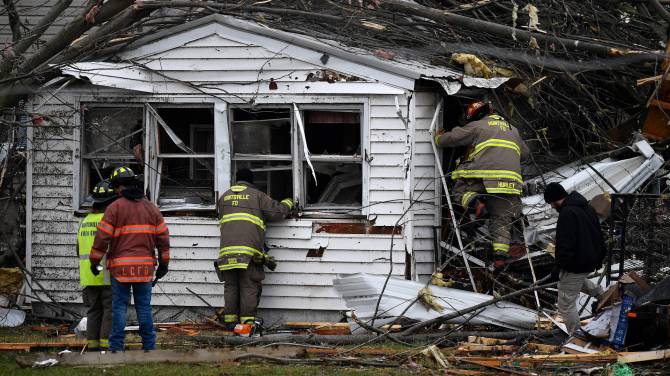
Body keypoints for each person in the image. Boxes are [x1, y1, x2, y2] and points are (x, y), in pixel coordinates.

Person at [434, 99, 529, 261]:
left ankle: (476, 204)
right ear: (491, 111)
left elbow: (453, 138)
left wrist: (439, 138)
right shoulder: (513, 130)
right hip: (511, 183)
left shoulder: (478, 125)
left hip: (484, 176)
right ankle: (499, 256)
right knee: (501, 218)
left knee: (459, 188)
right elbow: (525, 154)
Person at [89, 166, 170, 351]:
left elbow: (102, 238)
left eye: (115, 188)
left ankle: (116, 348)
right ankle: (149, 347)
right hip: (145, 269)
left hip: (120, 269)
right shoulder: (152, 208)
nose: (116, 191)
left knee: (119, 308)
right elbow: (163, 239)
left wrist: (94, 261)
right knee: (144, 307)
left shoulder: (114, 208)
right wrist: (164, 264)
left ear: (118, 187)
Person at [217, 168, 293, 332]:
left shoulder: (223, 197)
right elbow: (278, 212)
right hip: (248, 254)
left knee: (231, 287)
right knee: (249, 287)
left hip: (226, 254)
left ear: (236, 180)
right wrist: (289, 202)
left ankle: (230, 323)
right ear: (251, 182)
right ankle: (247, 324)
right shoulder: (256, 196)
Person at [544, 182, 605, 335]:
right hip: (588, 260)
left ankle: (576, 336)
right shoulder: (587, 208)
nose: (552, 206)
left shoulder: (567, 213)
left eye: (551, 203)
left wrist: (558, 267)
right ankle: (605, 296)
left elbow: (566, 244)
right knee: (578, 282)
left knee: (565, 305)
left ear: (556, 199)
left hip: (575, 264)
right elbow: (598, 234)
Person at [77, 179, 117, 351]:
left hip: (88, 276)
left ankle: (92, 345)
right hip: (106, 274)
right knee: (110, 310)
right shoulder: (108, 220)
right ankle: (106, 345)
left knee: (93, 311)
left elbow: (78, 250)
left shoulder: (84, 221)